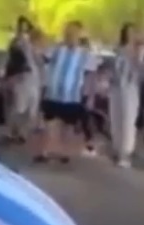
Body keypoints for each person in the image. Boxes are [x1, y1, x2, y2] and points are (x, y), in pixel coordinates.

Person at [37, 21, 91, 163]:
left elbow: (90, 74)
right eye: (68, 32)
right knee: (49, 123)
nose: (70, 35)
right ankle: (45, 152)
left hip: (72, 95)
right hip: (53, 92)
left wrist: (89, 94)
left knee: (68, 126)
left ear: (79, 35)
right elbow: (44, 60)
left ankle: (64, 152)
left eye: (74, 32)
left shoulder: (84, 54)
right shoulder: (56, 49)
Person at [111, 23, 144, 168]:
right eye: (128, 32)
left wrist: (138, 54)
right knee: (116, 117)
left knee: (128, 119)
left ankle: (125, 153)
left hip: (131, 87)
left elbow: (143, 70)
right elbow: (113, 67)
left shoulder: (139, 50)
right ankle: (117, 148)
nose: (130, 35)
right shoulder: (118, 50)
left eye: (133, 32)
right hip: (115, 86)